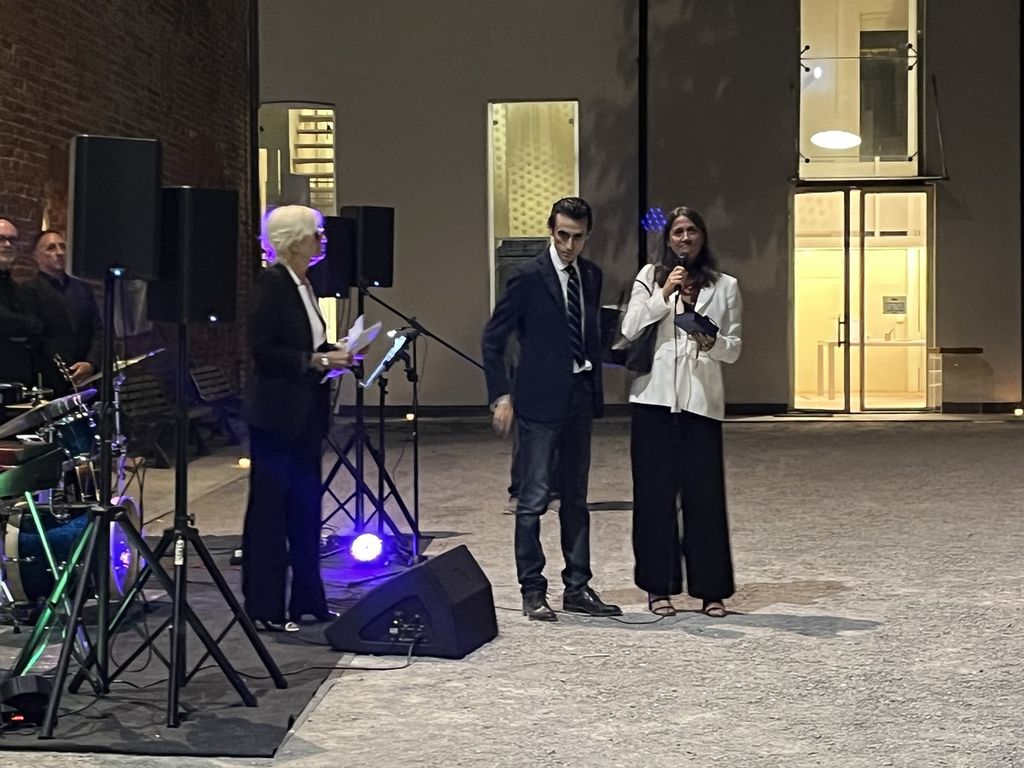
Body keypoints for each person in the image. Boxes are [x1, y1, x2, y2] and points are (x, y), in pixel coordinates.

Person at [482, 197, 621, 621]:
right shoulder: (527, 277)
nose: (569, 245)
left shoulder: (590, 275)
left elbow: (588, 332)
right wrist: (501, 394)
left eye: (577, 237)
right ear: (550, 230)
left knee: (576, 498)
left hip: (579, 395)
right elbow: (493, 338)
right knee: (533, 498)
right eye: (562, 235)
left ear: (587, 235)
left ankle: (577, 587)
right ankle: (532, 590)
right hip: (538, 400)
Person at [620, 206, 742, 618]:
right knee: (653, 498)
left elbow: (734, 348)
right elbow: (630, 328)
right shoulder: (649, 276)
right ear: (667, 238)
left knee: (705, 498)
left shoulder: (726, 286)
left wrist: (713, 342)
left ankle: (711, 590)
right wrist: (664, 294)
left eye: (692, 231)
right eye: (677, 232)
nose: (685, 238)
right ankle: (658, 588)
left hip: (701, 404)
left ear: (702, 236)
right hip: (653, 401)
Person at [242, 205, 353, 633]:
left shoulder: (304, 284)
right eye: (315, 233)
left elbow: (308, 342)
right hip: (276, 415)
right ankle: (265, 604)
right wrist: (317, 360)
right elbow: (264, 349)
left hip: (306, 413)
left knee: (306, 507)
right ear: (292, 241)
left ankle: (308, 600)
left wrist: (334, 353)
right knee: (270, 511)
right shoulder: (271, 284)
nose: (322, 239)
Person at [24, 230, 102, 389]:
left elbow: (99, 330)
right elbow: (37, 338)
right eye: (51, 248)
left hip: (88, 377)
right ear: (36, 256)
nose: (59, 252)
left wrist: (90, 363)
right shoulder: (28, 291)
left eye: (63, 247)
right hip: (49, 379)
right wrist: (69, 369)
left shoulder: (83, 288)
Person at [0, 216, 51, 390]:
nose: (8, 245)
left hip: (16, 379)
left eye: (12, 240)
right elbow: (6, 322)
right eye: (1, 239)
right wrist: (28, 325)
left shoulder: (13, 285)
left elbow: (39, 325)